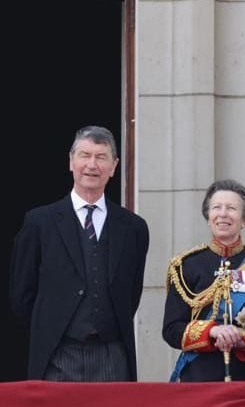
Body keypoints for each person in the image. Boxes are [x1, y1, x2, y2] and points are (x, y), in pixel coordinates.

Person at [9, 126, 150, 381]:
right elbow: (22, 295)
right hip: (57, 355)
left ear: (114, 166)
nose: (91, 165)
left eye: (101, 157)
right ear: (71, 162)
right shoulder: (39, 222)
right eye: (84, 155)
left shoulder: (133, 228)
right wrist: (50, 328)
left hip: (112, 356)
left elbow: (131, 294)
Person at [163, 180, 245, 382]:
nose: (223, 214)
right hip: (199, 376)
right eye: (216, 207)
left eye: (232, 208)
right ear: (208, 217)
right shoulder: (186, 265)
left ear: (244, 219)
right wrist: (213, 331)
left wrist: (241, 337)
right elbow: (171, 330)